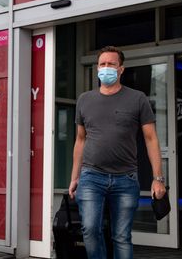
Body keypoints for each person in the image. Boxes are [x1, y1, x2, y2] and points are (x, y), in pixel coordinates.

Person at [69, 46, 166, 259]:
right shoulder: (85, 99)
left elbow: (151, 138)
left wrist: (158, 178)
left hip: (126, 179)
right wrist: (74, 177)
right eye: (102, 64)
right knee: (90, 230)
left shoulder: (137, 98)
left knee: (121, 236)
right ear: (97, 68)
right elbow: (80, 140)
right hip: (91, 177)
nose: (106, 68)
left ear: (121, 69)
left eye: (111, 64)